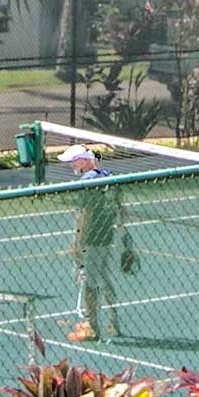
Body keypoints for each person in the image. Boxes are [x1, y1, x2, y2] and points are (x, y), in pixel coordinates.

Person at [63, 141, 138, 343]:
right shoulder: (109, 177)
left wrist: (77, 241)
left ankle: (92, 326)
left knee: (89, 282)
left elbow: (84, 213)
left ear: (83, 161)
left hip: (92, 237)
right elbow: (121, 207)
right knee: (104, 278)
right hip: (107, 235)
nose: (72, 166)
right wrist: (124, 237)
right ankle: (113, 321)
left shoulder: (86, 182)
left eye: (73, 162)